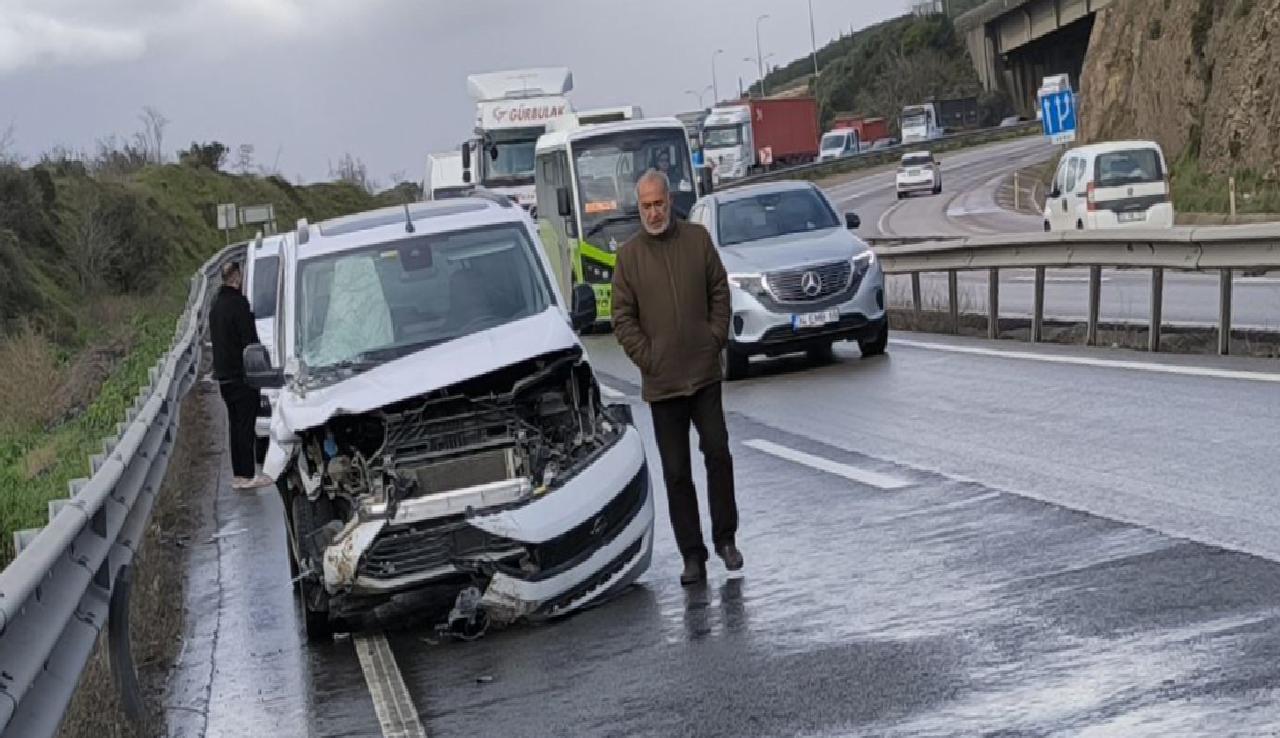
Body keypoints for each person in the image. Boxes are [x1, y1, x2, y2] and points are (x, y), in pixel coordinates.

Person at [611, 169, 743, 586]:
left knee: (718, 455)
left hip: (704, 374)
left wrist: (714, 337)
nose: (654, 212)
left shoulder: (697, 241)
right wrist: (648, 358)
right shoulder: (628, 258)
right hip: (663, 385)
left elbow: (720, 291)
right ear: (640, 208)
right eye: (646, 206)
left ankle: (726, 540)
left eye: (659, 203)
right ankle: (693, 556)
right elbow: (622, 318)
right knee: (676, 473)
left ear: (670, 201)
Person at [209, 260, 272, 490]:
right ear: (236, 277)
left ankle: (239, 474)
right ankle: (247, 474)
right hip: (241, 375)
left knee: (235, 425)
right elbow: (249, 341)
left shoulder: (216, 306)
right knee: (246, 424)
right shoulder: (238, 304)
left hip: (224, 377)